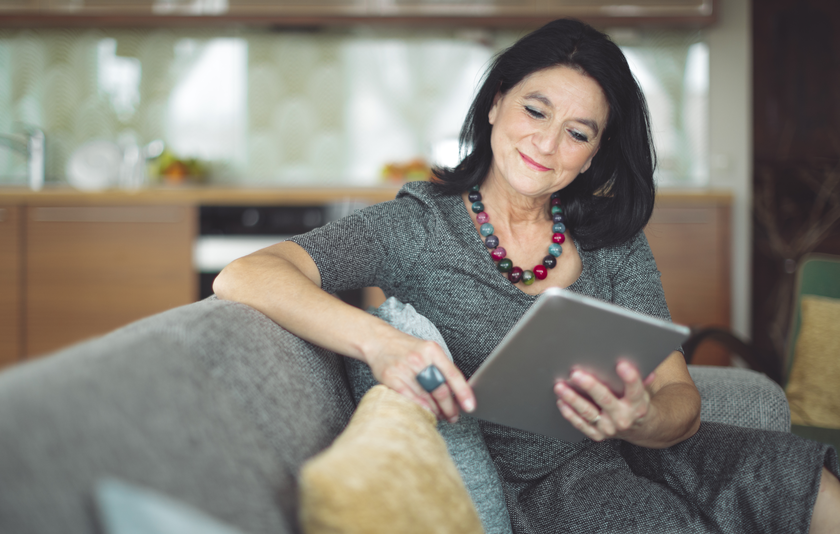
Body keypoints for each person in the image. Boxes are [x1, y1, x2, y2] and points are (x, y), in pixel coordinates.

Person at [214, 18, 840, 534]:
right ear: (495, 103)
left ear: (595, 153)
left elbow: (682, 405)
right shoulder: (418, 228)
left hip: (657, 455)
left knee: (808, 485)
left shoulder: (611, 243)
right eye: (535, 111)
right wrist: (384, 343)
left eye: (577, 133)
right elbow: (247, 273)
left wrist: (640, 416)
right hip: (553, 492)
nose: (546, 143)